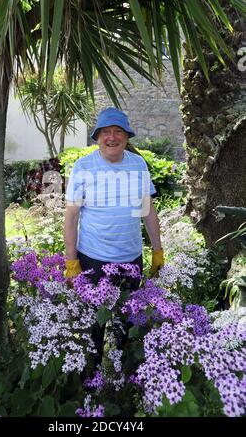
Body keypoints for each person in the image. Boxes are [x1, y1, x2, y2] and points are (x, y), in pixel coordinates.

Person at [64, 107, 164, 364]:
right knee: (93, 329)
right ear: (97, 137)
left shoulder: (138, 164)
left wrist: (157, 250)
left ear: (127, 137)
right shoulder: (83, 167)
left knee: (126, 326)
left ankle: (123, 381)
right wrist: (71, 261)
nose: (112, 137)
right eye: (106, 132)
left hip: (130, 261)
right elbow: (71, 216)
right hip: (93, 261)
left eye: (118, 131)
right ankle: (91, 379)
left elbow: (148, 210)